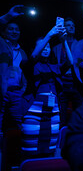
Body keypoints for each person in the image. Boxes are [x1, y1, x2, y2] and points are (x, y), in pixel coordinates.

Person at [20, 24, 72, 159]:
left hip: (53, 113)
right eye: (43, 46)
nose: (46, 48)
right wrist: (50, 34)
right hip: (33, 114)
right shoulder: (28, 65)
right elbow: (33, 57)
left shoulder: (54, 66)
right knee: (31, 152)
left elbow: (70, 62)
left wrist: (63, 40)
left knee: (49, 151)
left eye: (48, 46)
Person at [52, 15, 83, 127]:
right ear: (63, 28)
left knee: (79, 115)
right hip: (62, 85)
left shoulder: (82, 43)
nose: (71, 27)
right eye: (68, 25)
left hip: (77, 83)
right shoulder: (56, 47)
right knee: (61, 117)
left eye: (73, 25)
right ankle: (61, 141)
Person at [0, 5, 28, 131]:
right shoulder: (1, 44)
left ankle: (19, 150)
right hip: (1, 90)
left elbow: (26, 73)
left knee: (19, 123)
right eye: (10, 29)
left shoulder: (22, 52)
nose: (14, 31)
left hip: (16, 92)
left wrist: (23, 89)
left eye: (16, 29)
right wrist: (9, 15)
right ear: (4, 31)